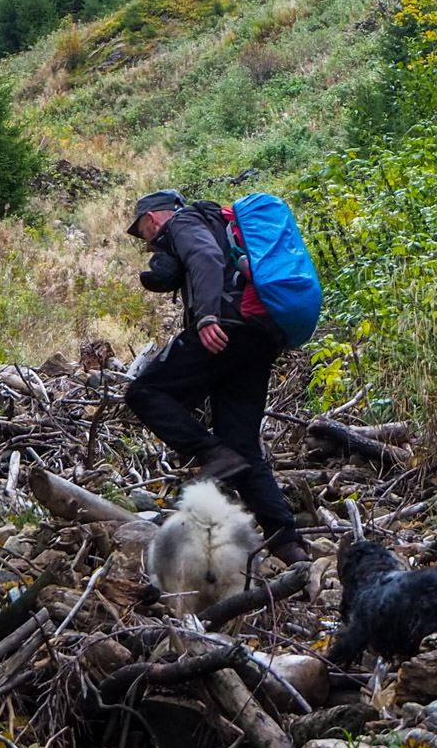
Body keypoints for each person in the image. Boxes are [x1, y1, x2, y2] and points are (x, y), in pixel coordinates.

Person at [123, 189, 310, 565]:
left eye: (143, 234)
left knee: (144, 392)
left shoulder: (182, 221)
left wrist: (206, 316)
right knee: (242, 446)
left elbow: (206, 257)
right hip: (259, 337)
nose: (147, 244)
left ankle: (212, 453)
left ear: (152, 219)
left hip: (223, 329)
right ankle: (289, 544)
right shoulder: (220, 229)